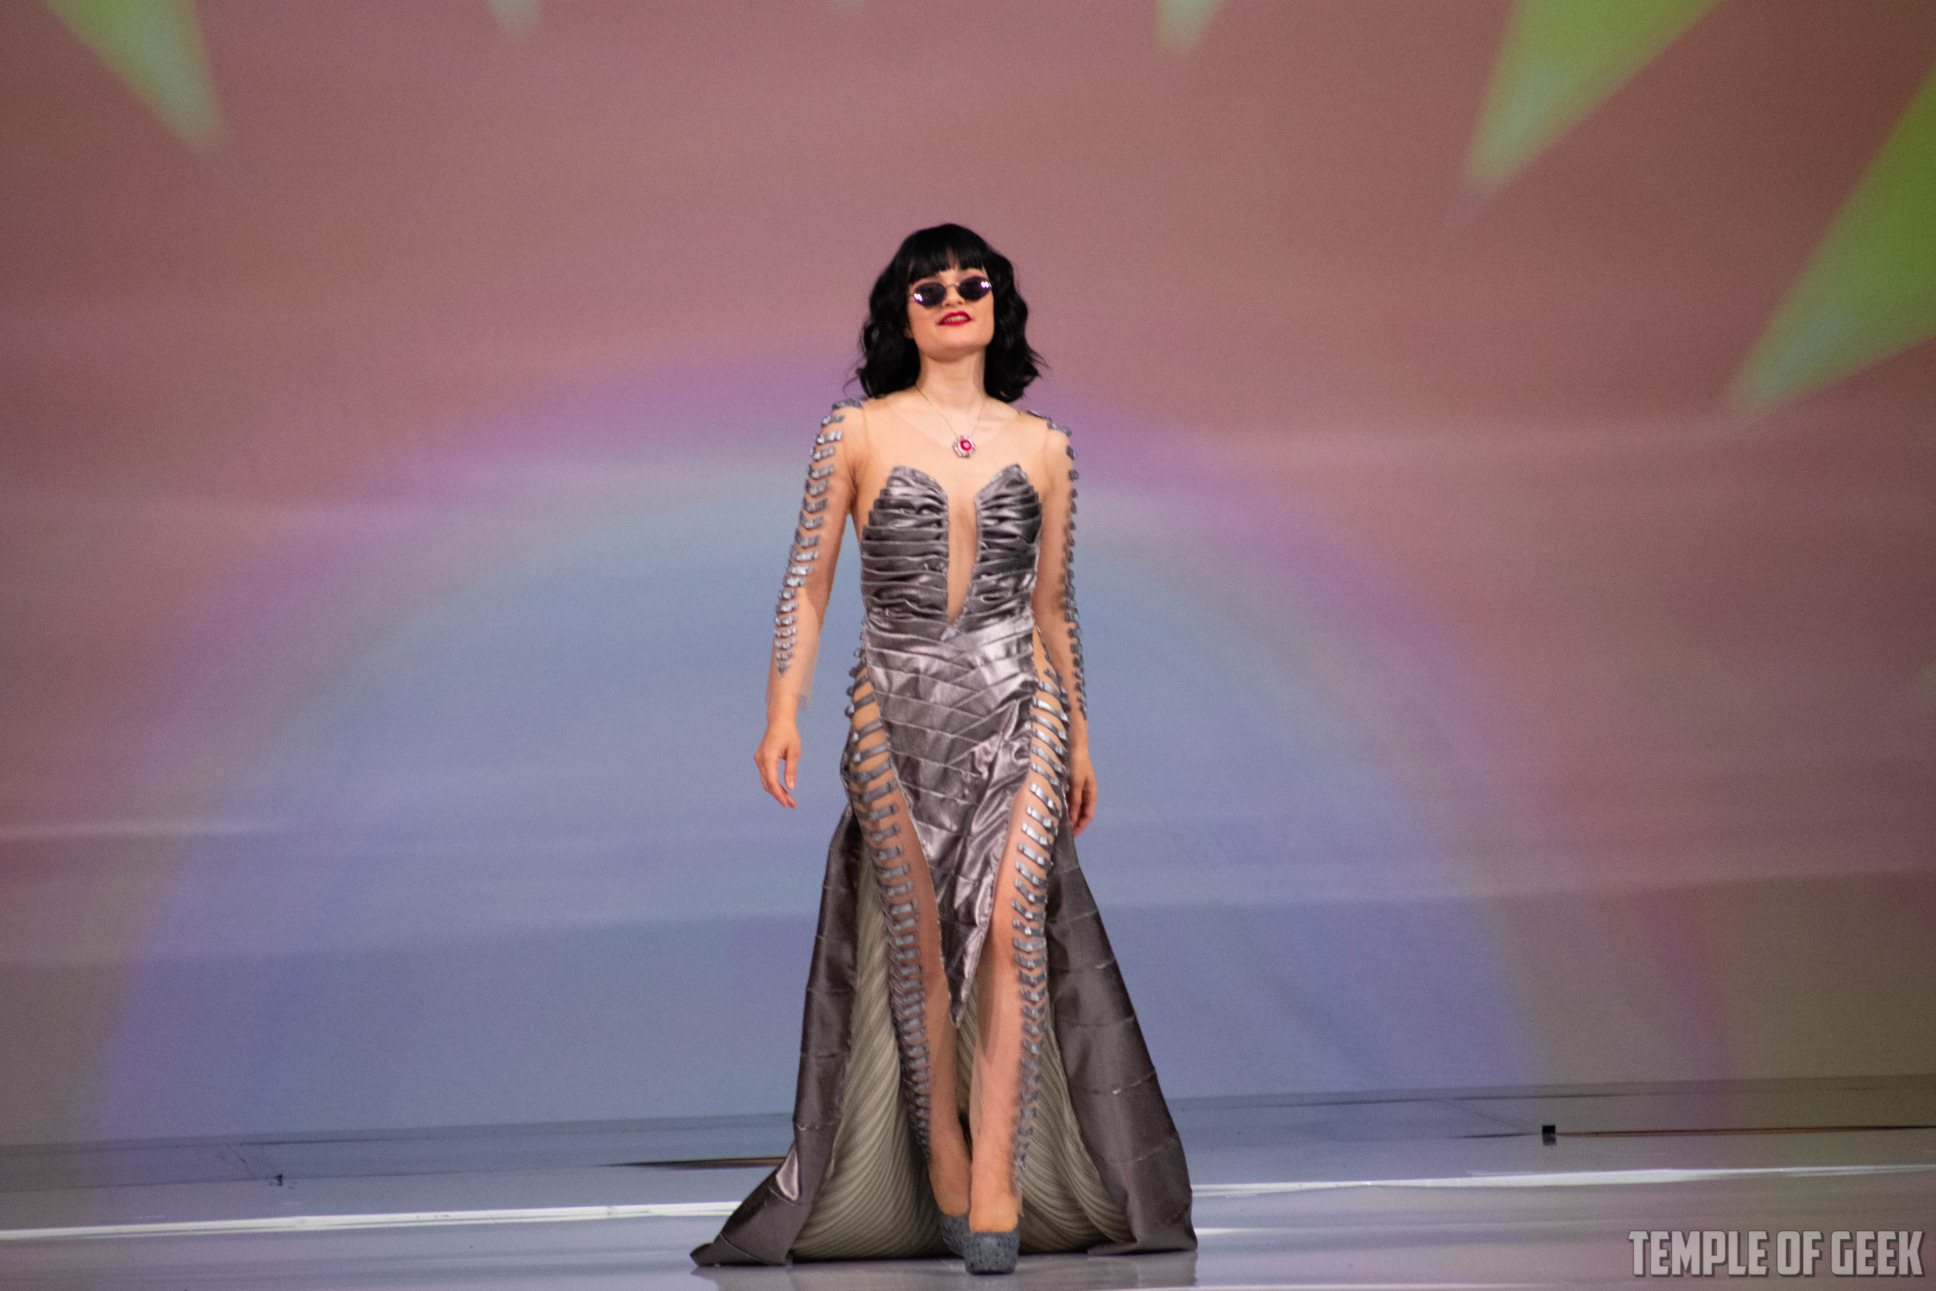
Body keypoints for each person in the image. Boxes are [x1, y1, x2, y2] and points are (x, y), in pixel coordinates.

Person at [691, 224, 1194, 1276]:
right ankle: (947, 1159)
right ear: (901, 313)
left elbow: (1053, 607)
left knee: (1011, 932)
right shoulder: (857, 431)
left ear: (1001, 305)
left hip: (1023, 707)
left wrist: (1082, 736)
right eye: (929, 288)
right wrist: (782, 711)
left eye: (973, 282)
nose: (953, 296)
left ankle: (997, 1180)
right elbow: (807, 583)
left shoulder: (1045, 445)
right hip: (894, 710)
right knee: (921, 952)